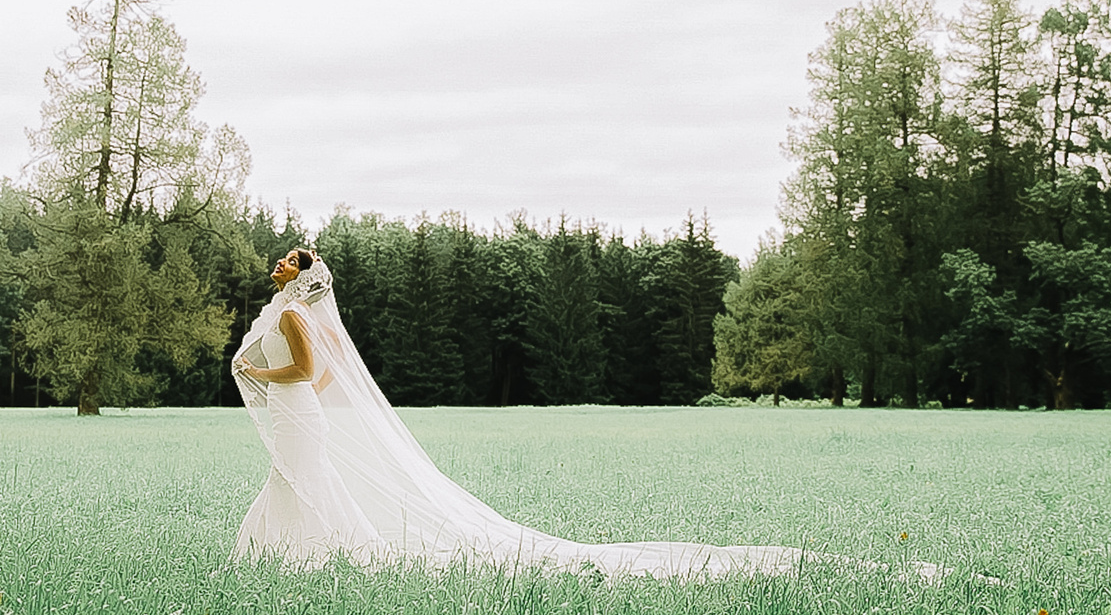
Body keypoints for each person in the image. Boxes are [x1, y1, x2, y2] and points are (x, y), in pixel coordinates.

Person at [231, 247, 803, 578]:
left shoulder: (292, 318)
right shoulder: (294, 315)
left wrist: (258, 375)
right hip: (298, 412)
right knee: (294, 478)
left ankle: (325, 554)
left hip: (297, 409)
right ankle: (284, 555)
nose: (279, 264)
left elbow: (307, 373)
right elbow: (325, 374)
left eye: (289, 261)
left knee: (301, 477)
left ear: (302, 278)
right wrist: (279, 383)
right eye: (284, 259)